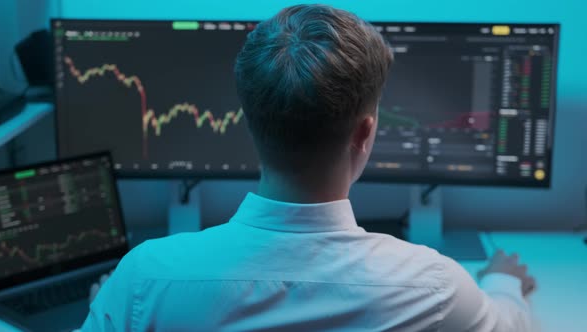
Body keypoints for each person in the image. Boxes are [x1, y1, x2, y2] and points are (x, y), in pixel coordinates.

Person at [81, 4, 535, 331]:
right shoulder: (433, 289)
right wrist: (502, 283)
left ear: (248, 123)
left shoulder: (145, 279)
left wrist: (112, 307)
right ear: (364, 132)